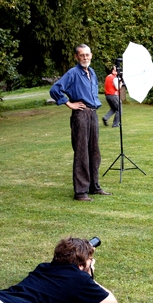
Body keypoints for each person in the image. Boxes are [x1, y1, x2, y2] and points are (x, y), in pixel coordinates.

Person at [49, 44, 111, 201]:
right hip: (81, 115)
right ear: (76, 57)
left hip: (93, 114)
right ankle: (80, 192)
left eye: (87, 55)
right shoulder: (73, 73)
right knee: (82, 152)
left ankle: (94, 186)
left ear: (91, 55)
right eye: (82, 55)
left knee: (94, 152)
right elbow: (55, 90)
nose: (85, 58)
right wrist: (69, 103)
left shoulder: (91, 72)